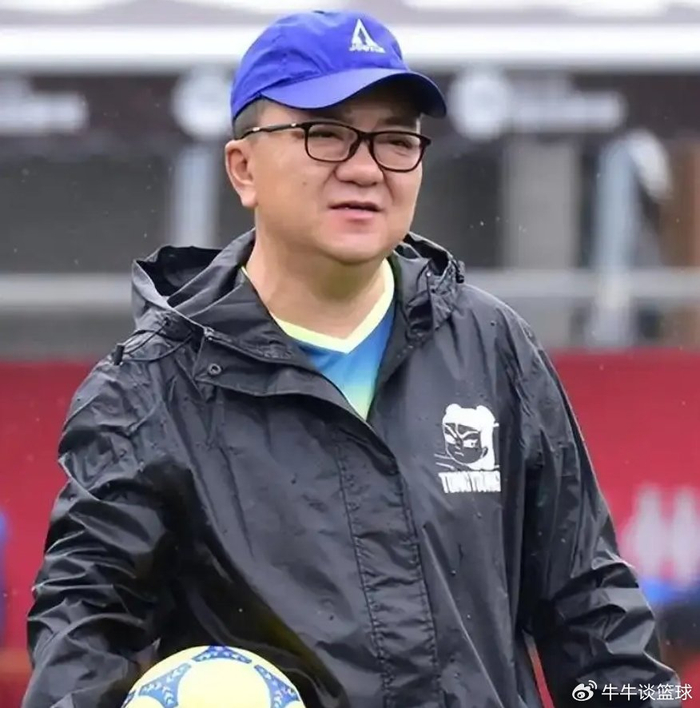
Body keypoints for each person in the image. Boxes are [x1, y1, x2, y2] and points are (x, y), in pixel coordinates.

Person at [23, 10, 680, 708]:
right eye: (326, 134)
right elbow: (84, 639)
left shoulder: (495, 347)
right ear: (243, 168)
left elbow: (593, 611)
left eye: (396, 139)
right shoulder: (149, 389)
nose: (365, 169)